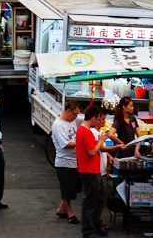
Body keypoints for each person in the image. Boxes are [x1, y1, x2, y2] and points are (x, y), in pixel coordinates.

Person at [75, 106, 109, 238]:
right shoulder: (86, 132)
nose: (99, 122)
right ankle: (88, 230)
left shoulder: (84, 130)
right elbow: (92, 152)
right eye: (99, 119)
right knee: (90, 200)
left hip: (93, 169)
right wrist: (100, 141)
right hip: (89, 170)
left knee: (98, 199)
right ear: (93, 119)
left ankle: (95, 226)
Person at [51, 100, 81, 223]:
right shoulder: (58, 125)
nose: (76, 117)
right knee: (66, 189)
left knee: (73, 188)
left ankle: (61, 209)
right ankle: (69, 213)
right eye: (75, 114)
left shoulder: (72, 121)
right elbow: (66, 144)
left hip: (75, 161)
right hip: (65, 162)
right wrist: (81, 144)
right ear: (68, 111)